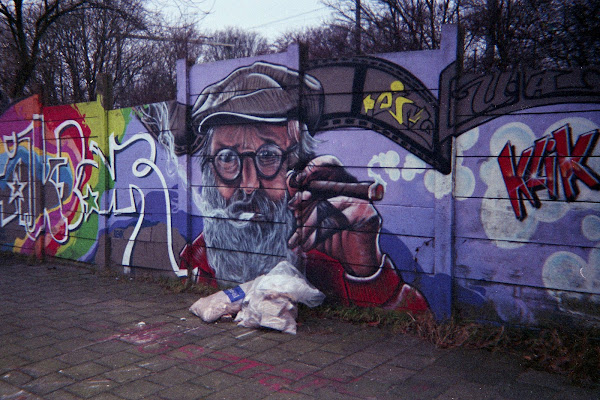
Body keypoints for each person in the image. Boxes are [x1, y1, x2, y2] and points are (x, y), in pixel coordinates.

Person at [179, 62, 428, 312]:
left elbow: (414, 324)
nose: (249, 185)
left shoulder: (332, 256)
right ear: (208, 171)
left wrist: (367, 273)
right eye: (226, 159)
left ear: (298, 165)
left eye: (268, 156)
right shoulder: (195, 259)